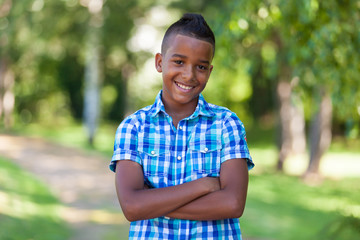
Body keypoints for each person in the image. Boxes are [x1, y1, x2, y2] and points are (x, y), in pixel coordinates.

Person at [110, 13, 254, 240]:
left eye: (201, 67)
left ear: (210, 71)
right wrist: (204, 185)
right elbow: (131, 207)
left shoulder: (227, 124)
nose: (189, 75)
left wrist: (151, 201)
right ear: (159, 62)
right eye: (179, 62)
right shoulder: (134, 127)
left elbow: (233, 203)